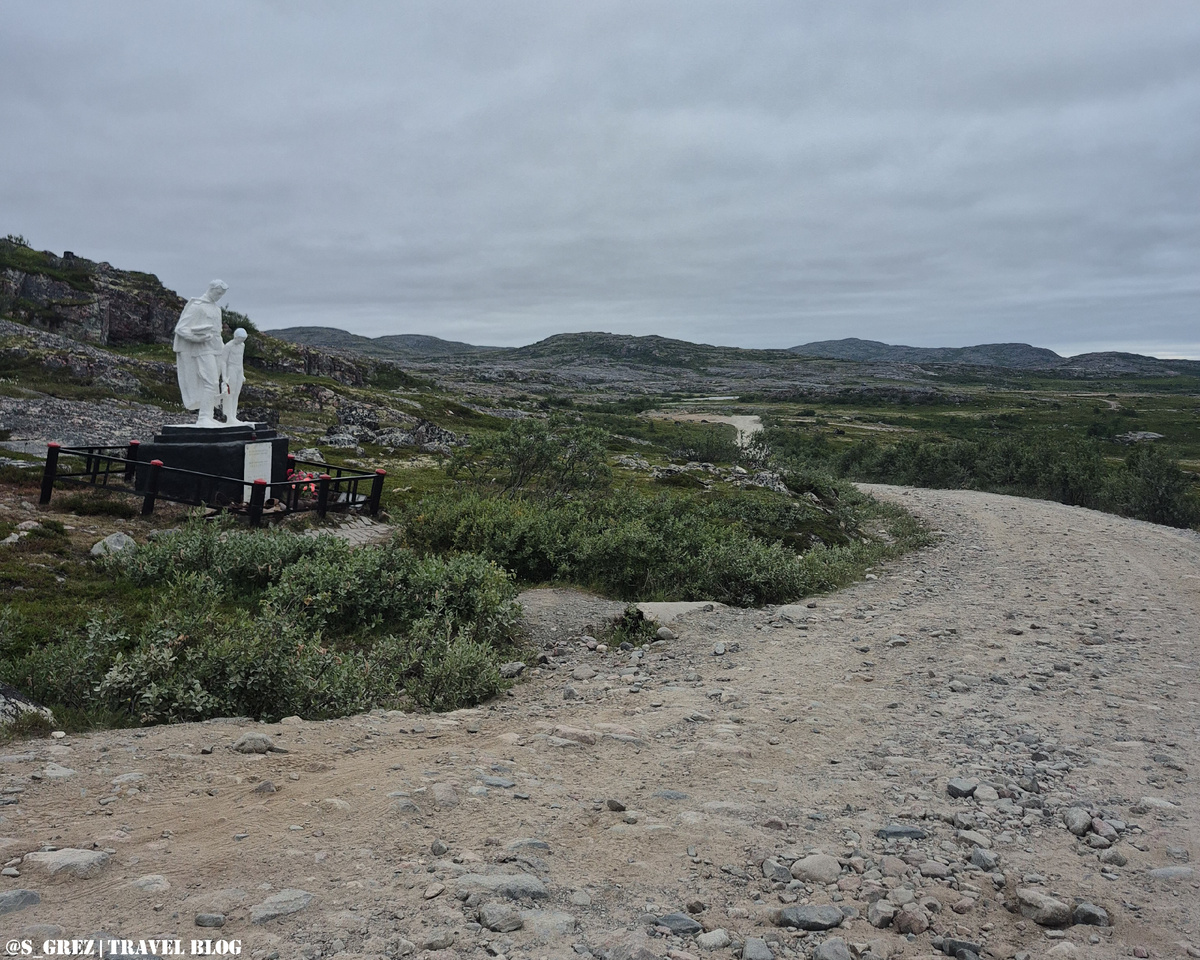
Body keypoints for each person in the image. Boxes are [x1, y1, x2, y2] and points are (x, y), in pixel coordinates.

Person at [173, 280, 227, 425]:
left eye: (222, 294)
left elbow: (218, 332)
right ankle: (203, 417)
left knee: (214, 384)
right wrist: (197, 338)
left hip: (216, 348)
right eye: (219, 293)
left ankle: (209, 416)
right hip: (202, 348)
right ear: (212, 289)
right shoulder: (197, 306)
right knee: (211, 382)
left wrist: (223, 349)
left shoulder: (217, 309)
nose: (220, 296)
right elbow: (181, 328)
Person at [220, 327, 248, 425]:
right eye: (240, 339)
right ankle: (228, 416)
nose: (242, 341)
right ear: (236, 337)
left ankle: (234, 416)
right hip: (231, 368)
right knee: (230, 393)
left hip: (238, 370)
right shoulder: (228, 346)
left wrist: (242, 374)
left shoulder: (242, 345)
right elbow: (223, 361)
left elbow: (241, 361)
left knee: (236, 393)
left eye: (243, 339)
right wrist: (224, 376)